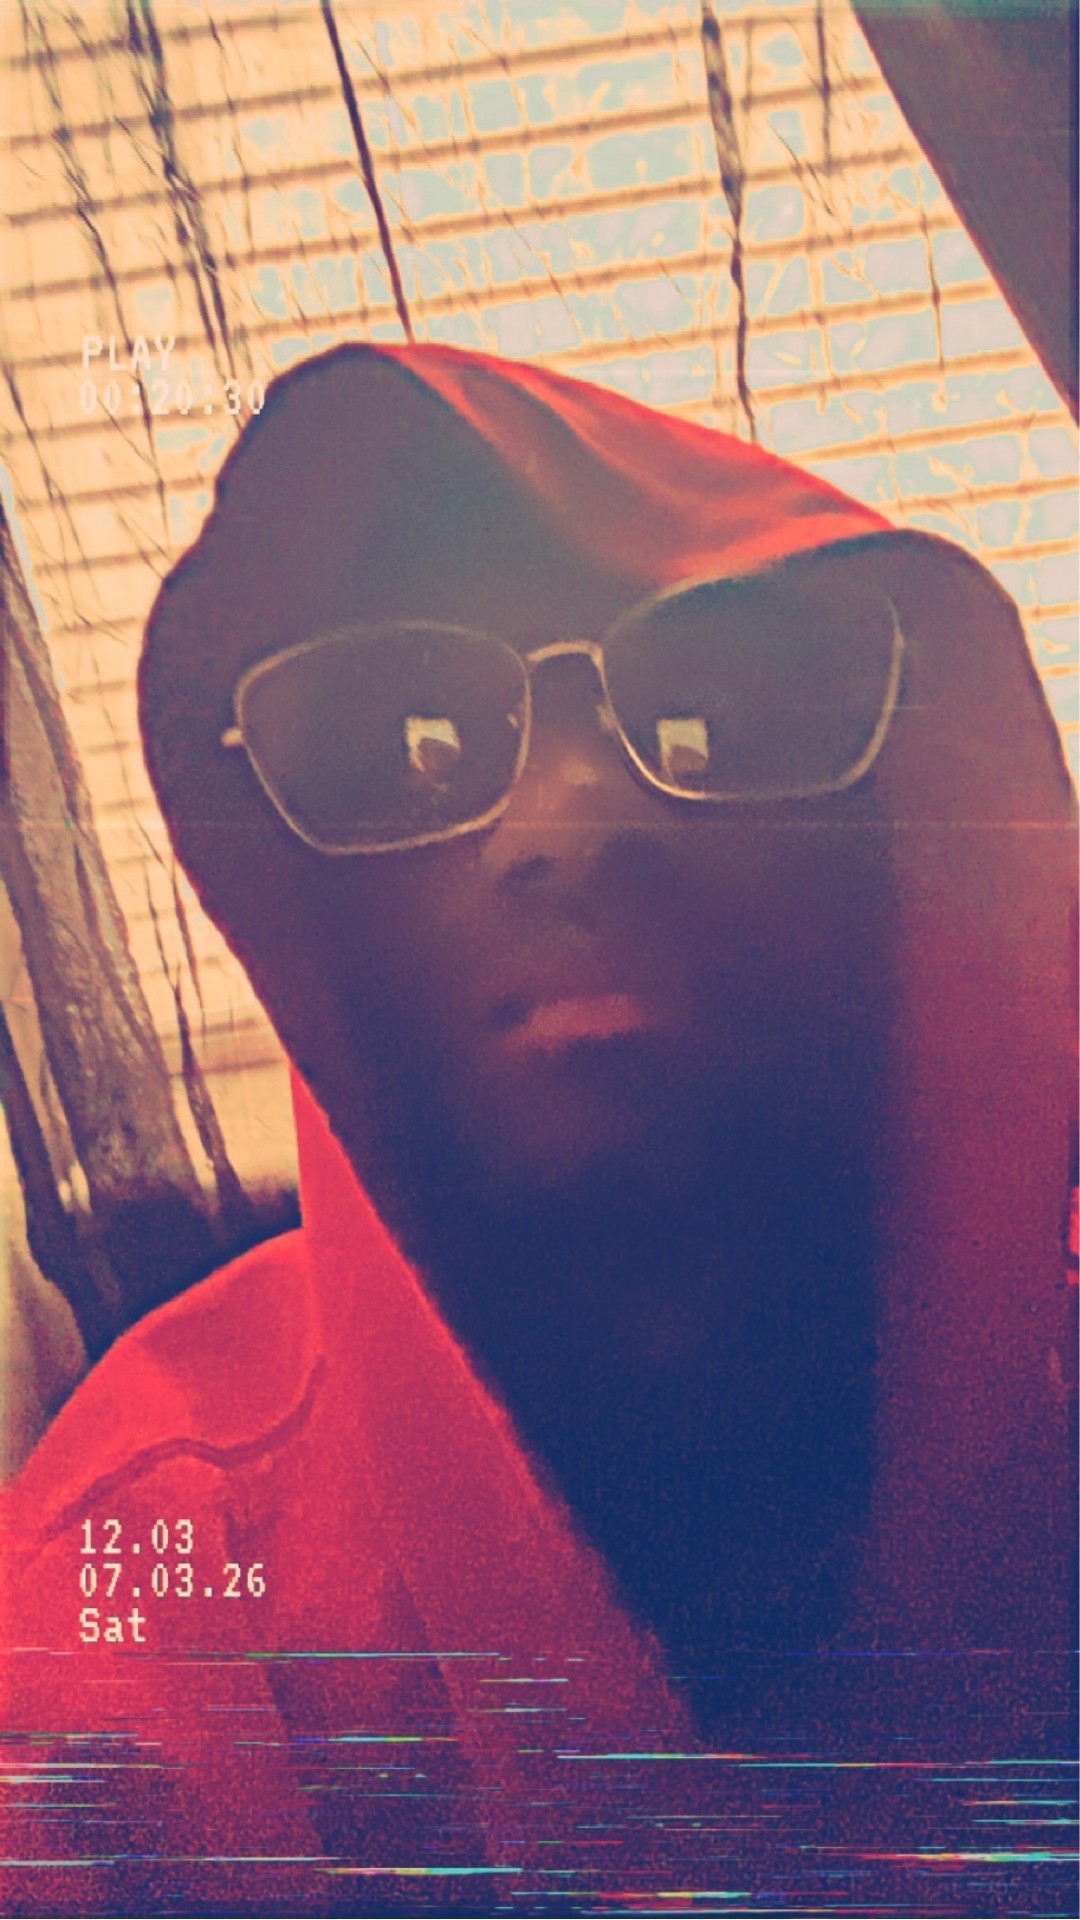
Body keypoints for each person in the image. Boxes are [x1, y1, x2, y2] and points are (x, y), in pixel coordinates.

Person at [2, 343, 1075, 1918]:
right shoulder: (150, 1614)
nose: (575, 820)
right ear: (300, 907)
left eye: (715, 721)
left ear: (899, 837)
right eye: (406, 748)